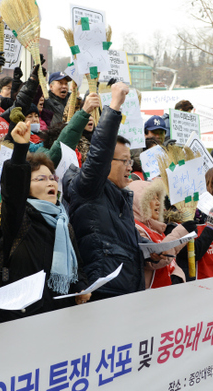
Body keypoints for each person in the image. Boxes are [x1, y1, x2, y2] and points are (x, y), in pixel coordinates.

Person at [67, 82, 166, 300]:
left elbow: (125, 242)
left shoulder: (123, 195)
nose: (130, 166)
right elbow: (100, 150)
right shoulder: (89, 188)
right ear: (106, 163)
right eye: (124, 161)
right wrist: (114, 106)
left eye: (131, 160)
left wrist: (150, 252)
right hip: (103, 292)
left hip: (129, 290)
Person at [0, 121, 90, 323]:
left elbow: (77, 268)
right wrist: (20, 148)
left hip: (58, 316)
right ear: (26, 187)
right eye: (41, 179)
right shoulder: (19, 217)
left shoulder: (63, 222)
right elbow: (13, 191)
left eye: (52, 177)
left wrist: (80, 287)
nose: (51, 182)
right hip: (22, 317)